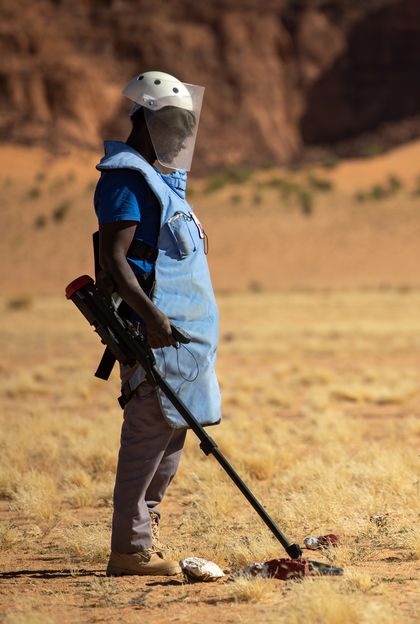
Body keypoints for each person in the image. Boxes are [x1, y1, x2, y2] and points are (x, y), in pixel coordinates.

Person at [93, 71, 220, 576]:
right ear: (145, 119)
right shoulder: (125, 179)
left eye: (186, 123)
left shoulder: (162, 181)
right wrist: (154, 319)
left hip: (180, 340)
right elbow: (115, 259)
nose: (182, 134)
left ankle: (146, 535)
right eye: (172, 122)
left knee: (170, 434)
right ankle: (129, 550)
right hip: (152, 333)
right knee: (147, 433)